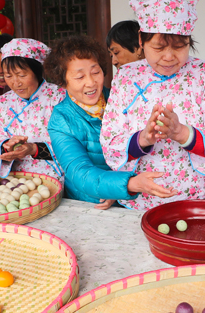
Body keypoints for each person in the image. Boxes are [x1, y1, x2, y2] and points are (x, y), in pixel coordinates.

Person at [101, 0, 205, 210]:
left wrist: (182, 133)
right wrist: (143, 138)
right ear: (141, 40)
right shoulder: (126, 77)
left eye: (180, 47)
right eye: (159, 48)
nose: (169, 57)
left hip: (196, 197)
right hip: (142, 198)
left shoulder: (204, 74)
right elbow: (110, 138)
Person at [44, 36, 175, 207]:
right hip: (92, 202)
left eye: (95, 72)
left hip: (137, 196)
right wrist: (124, 185)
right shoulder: (61, 120)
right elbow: (79, 173)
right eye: (79, 77)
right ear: (62, 82)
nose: (90, 83)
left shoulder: (121, 98)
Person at [0, 38, 64, 177]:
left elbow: (71, 142)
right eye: (8, 76)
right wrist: (6, 146)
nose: (16, 83)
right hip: (16, 179)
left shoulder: (58, 97)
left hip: (57, 177)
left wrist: (34, 149)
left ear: (36, 71)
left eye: (22, 75)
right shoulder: (1, 103)